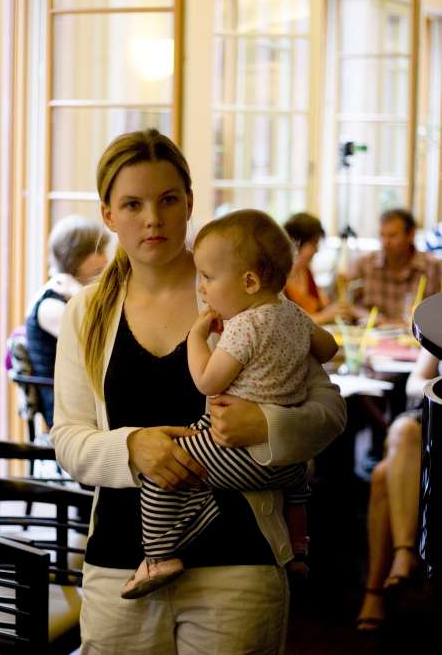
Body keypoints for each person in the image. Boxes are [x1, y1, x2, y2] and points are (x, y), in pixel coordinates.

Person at [51, 129, 347, 654]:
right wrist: (130, 448)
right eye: (132, 204)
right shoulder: (87, 312)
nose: (153, 219)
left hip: (239, 563)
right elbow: (68, 438)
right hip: (122, 568)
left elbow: (330, 410)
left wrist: (270, 426)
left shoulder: (242, 290)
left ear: (189, 202)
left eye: (167, 200)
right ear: (107, 214)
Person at [122, 209, 338, 599]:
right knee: (295, 488)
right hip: (289, 465)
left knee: (163, 466)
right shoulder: (292, 313)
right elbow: (329, 348)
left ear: (249, 281)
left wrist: (195, 339)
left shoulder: (244, 326)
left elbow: (207, 381)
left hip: (241, 453)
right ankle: (299, 549)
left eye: (208, 277)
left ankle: (158, 556)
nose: (202, 287)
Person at [356, 347, 439, 632]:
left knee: (381, 475)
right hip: (434, 420)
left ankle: (375, 591)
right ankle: (404, 552)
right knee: (403, 430)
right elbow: (416, 380)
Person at [25, 214, 109, 428]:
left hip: (82, 399)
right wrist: (79, 293)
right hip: (66, 410)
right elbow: (98, 344)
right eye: (98, 251)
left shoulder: (66, 294)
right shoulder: (50, 305)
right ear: (75, 256)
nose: (106, 260)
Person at [347, 208, 441, 326]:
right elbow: (347, 305)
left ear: (411, 234)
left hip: (415, 339)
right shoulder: (363, 264)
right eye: (382, 235)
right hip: (370, 336)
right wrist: (367, 316)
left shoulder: (434, 268)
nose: (385, 242)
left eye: (392, 236)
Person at [283, 212, 355, 324]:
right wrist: (326, 316)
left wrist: (336, 287)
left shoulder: (305, 272)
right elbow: (288, 323)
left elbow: (323, 306)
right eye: (313, 244)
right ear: (296, 243)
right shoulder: (278, 280)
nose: (316, 250)